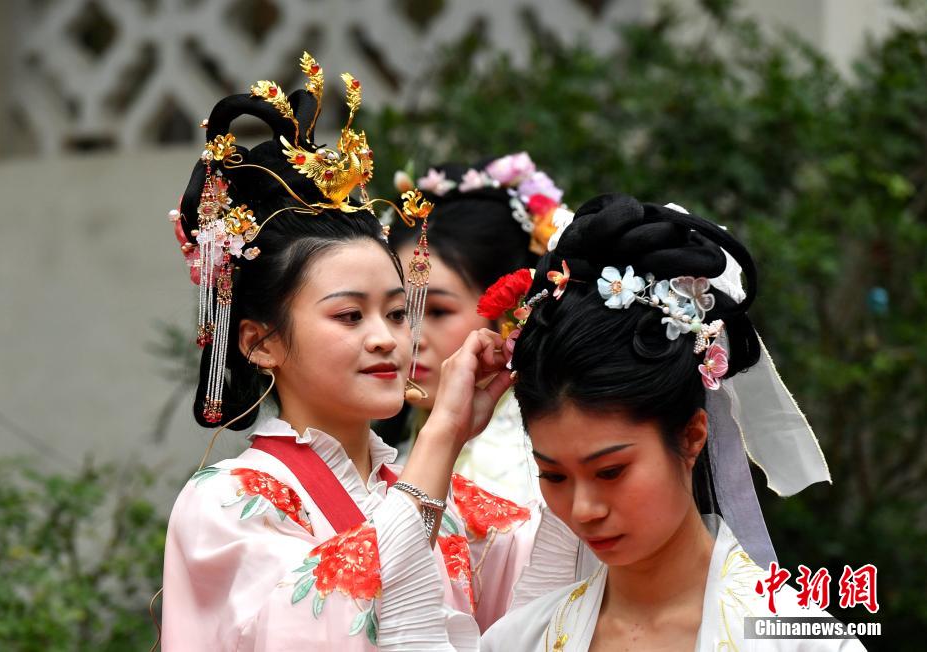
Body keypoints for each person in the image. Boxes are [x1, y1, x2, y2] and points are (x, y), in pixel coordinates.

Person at [160, 53, 574, 650]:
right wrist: (442, 437)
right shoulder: (225, 505)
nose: (387, 337)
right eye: (349, 315)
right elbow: (313, 623)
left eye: (398, 311)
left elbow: (555, 605)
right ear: (262, 341)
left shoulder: (456, 507)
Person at [475, 193, 864, 650]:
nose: (583, 510)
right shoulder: (518, 640)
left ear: (691, 436)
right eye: (554, 474)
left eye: (611, 471)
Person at [385, 155, 570, 503]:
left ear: (509, 311)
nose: (409, 338)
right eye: (396, 312)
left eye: (438, 310)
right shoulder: (383, 447)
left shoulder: (540, 465)